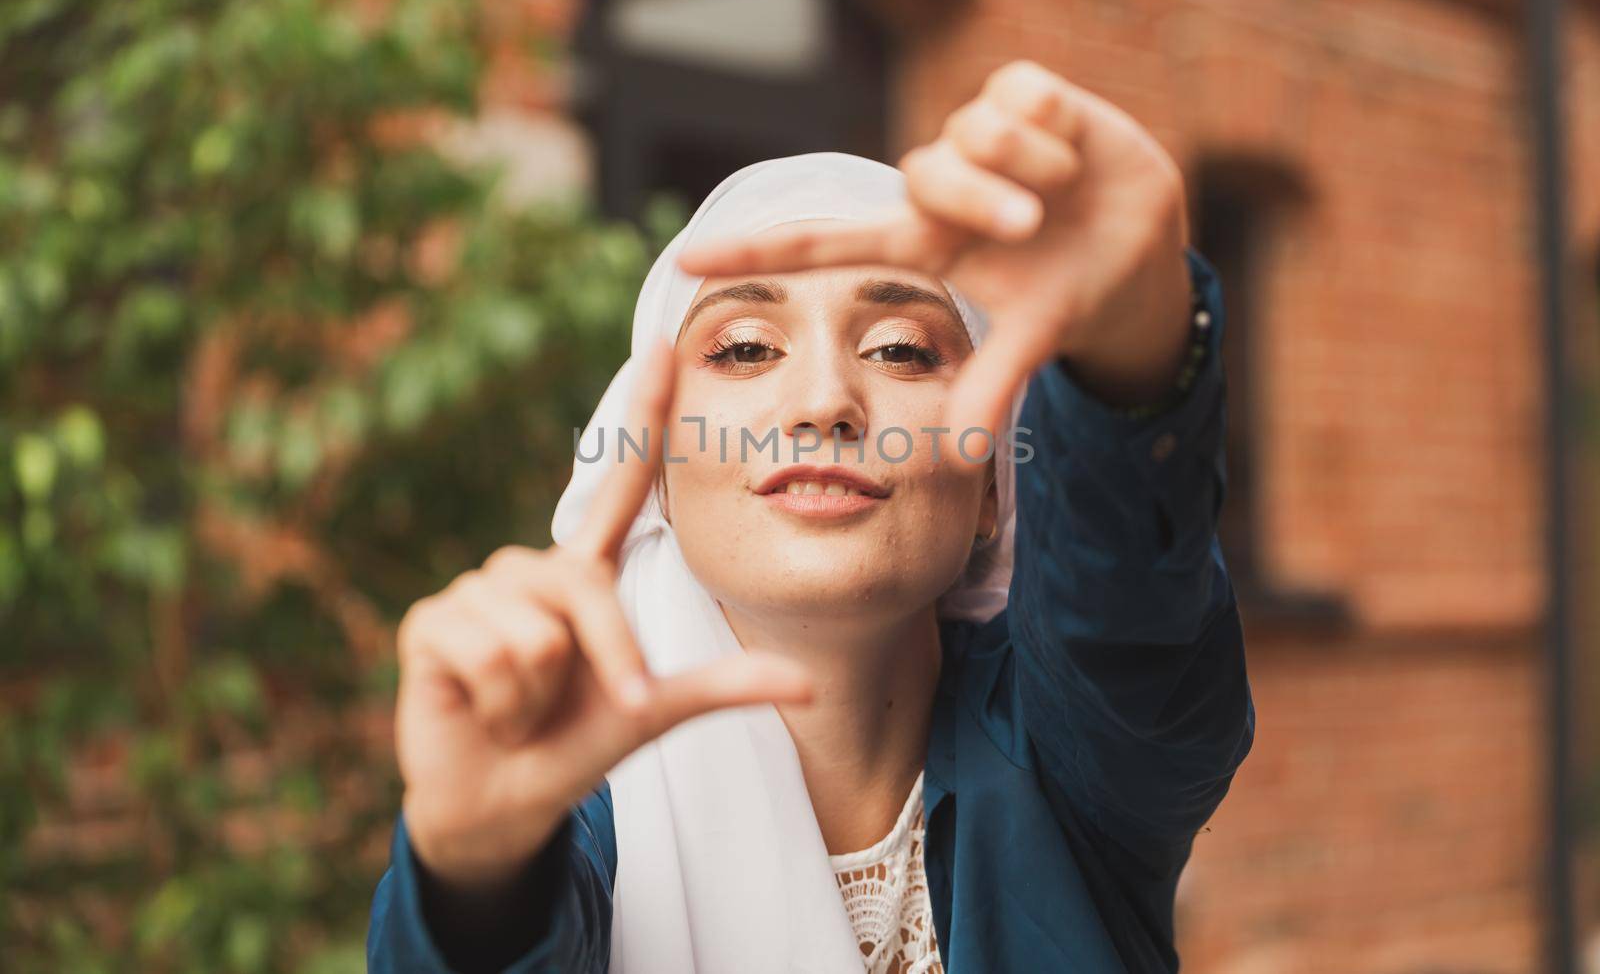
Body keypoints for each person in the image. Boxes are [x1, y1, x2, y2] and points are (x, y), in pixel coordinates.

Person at [366, 59, 1254, 974]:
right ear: (656, 471)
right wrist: (476, 879)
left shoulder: (1083, 752)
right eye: (745, 347)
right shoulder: (573, 798)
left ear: (997, 483)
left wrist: (1135, 341)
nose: (826, 399)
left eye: (903, 351)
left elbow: (1129, 608)